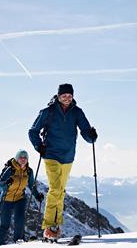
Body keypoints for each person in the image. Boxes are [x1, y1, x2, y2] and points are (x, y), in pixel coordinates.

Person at [28, 83, 97, 240]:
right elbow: (32, 131)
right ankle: (49, 227)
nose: (67, 98)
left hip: (68, 156)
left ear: (72, 96)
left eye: (69, 95)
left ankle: (55, 226)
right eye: (64, 95)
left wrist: (91, 136)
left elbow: (85, 130)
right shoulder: (48, 112)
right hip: (51, 154)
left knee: (61, 191)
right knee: (56, 188)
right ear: (58, 96)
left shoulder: (77, 112)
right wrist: (39, 146)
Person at [0, 149, 44, 246]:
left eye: (25, 157)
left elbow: (31, 185)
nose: (23, 159)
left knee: (20, 221)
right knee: (5, 225)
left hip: (20, 199)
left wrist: (37, 195)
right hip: (6, 200)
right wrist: (6, 183)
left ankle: (19, 242)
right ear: (17, 158)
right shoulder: (10, 169)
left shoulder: (29, 171)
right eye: (21, 157)